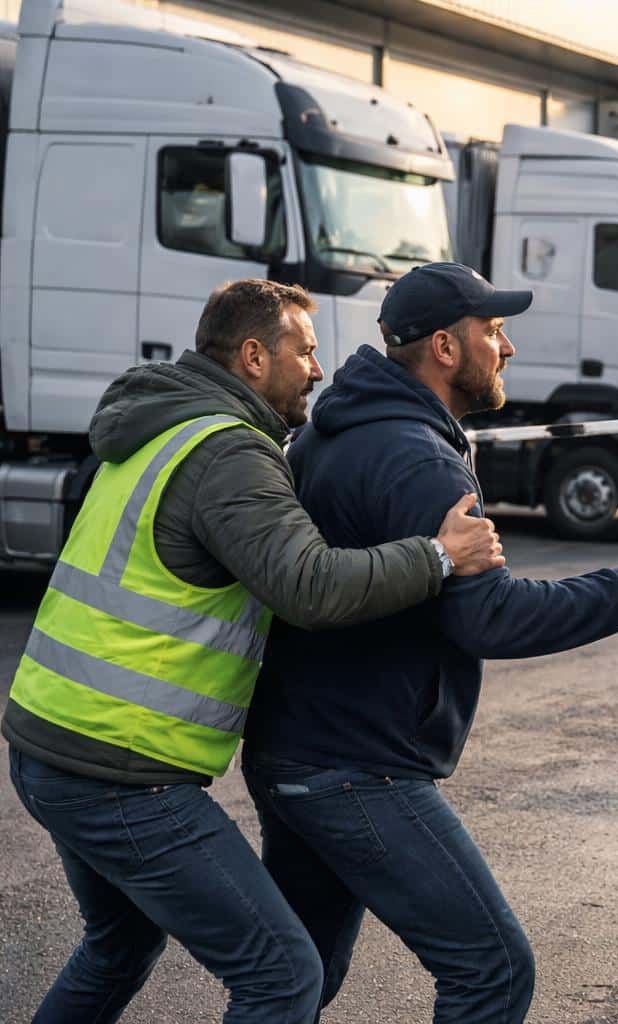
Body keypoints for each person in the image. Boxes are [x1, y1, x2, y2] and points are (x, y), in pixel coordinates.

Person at [4, 279, 504, 1024]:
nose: (316, 368)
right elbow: (309, 586)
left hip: (49, 742)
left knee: (118, 948)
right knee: (281, 972)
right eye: (303, 351)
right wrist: (436, 554)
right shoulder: (229, 454)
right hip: (118, 768)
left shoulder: (163, 428)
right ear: (251, 356)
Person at [240, 262, 618, 1024]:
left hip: (298, 750)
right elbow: (489, 616)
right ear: (446, 347)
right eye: (495, 331)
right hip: (355, 767)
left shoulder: (336, 429)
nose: (506, 348)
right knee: (492, 969)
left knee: (297, 981)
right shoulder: (415, 457)